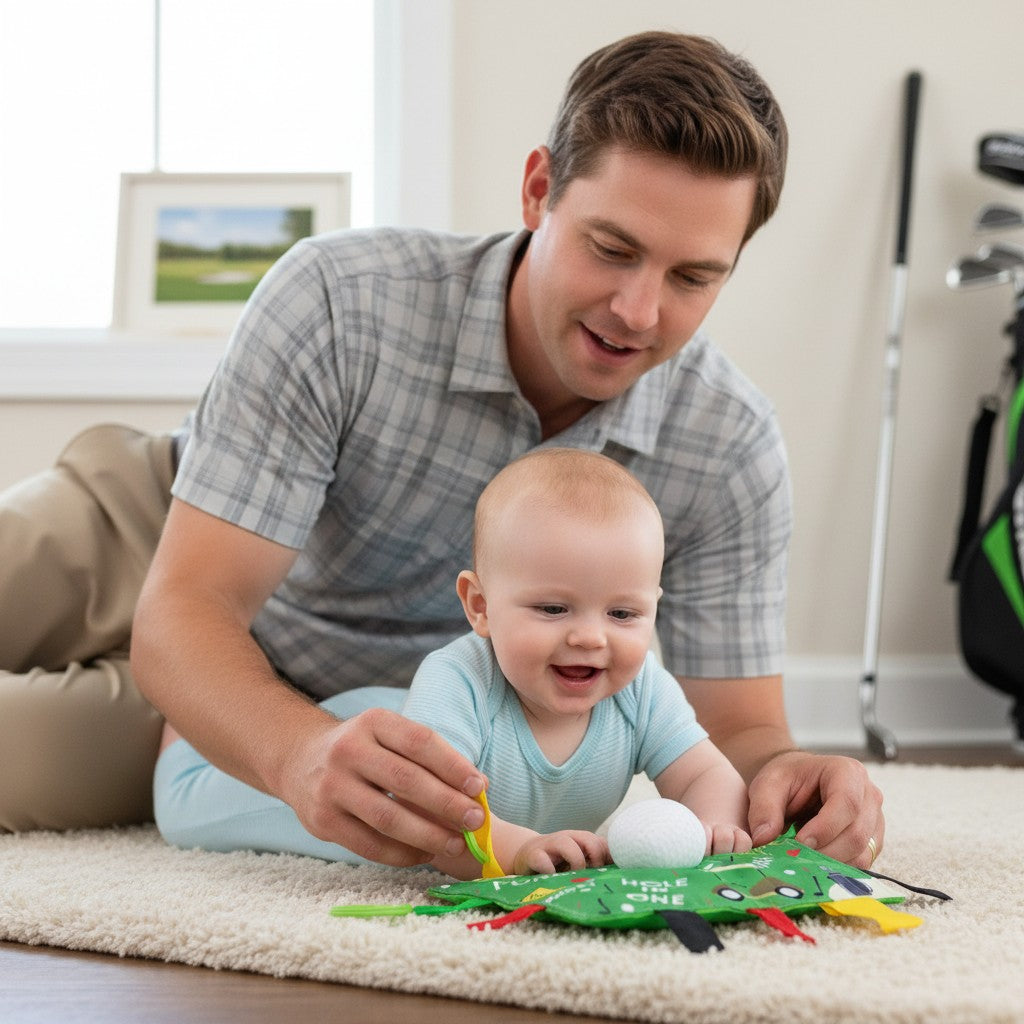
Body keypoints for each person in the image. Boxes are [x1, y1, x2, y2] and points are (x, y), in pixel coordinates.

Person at [0, 30, 884, 869]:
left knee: (19, 762)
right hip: (167, 530)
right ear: (539, 191)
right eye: (612, 248)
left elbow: (736, 731)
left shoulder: (728, 448)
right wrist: (296, 756)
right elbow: (188, 606)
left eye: (694, 277)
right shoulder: (341, 298)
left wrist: (791, 778)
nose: (639, 311)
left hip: (290, 699)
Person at [153, 449, 753, 878]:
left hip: (400, 718)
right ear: (480, 606)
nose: (591, 638)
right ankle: (180, 736)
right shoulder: (459, 676)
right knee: (189, 812)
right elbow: (433, 814)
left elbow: (707, 775)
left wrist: (713, 828)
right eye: (552, 607)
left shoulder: (642, 686)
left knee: (388, 722)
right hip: (375, 752)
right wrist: (520, 850)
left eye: (624, 614)